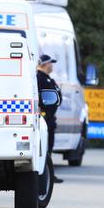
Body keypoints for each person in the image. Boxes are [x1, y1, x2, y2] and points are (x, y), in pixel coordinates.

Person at [36, 54, 63, 184]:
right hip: (44, 118)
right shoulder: (39, 77)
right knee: (45, 147)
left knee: (49, 146)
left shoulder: (47, 78)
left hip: (50, 118)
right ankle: (44, 175)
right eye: (50, 63)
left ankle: (49, 174)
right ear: (45, 64)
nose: (52, 65)